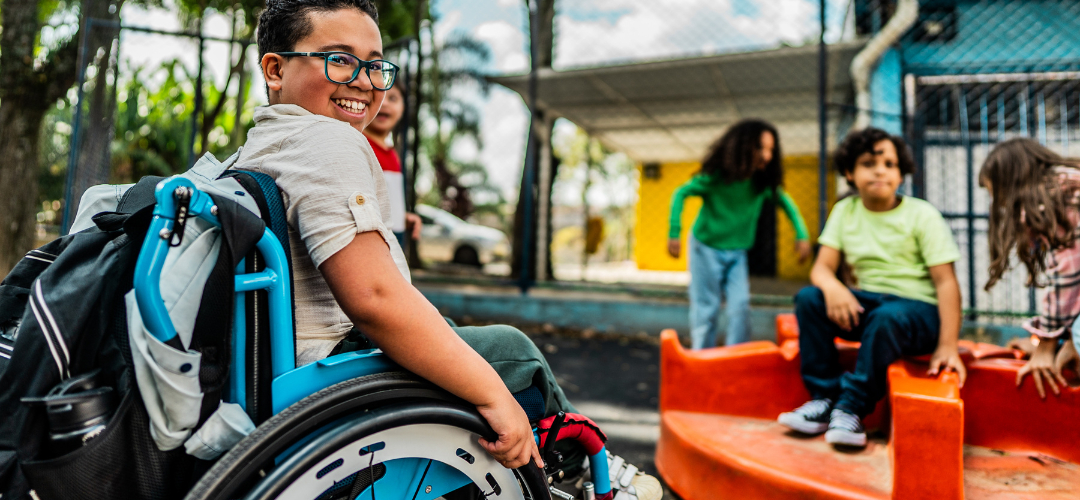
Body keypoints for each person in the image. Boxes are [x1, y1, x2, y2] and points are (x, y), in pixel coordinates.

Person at [239, 1, 660, 497]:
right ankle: (575, 468)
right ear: (274, 68)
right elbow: (374, 298)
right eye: (339, 58)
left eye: (375, 64)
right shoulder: (328, 141)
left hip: (279, 368)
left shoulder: (256, 147)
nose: (364, 80)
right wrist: (493, 394)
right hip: (329, 378)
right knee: (513, 353)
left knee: (446, 329)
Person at [778, 127, 966, 448]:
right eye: (868, 163)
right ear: (850, 173)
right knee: (810, 298)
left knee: (888, 316)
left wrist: (948, 345)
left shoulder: (922, 215)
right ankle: (824, 399)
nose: (880, 170)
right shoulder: (845, 211)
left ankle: (851, 409)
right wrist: (835, 289)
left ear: (901, 173)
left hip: (917, 313)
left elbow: (946, 282)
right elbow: (822, 268)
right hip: (870, 307)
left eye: (890, 164)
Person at [668, 119, 811, 349]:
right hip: (705, 248)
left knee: (741, 305)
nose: (766, 155)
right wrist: (674, 233)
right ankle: (701, 358)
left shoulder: (762, 184)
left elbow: (787, 204)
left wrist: (801, 235)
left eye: (771, 150)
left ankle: (736, 357)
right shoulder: (716, 178)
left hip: (737, 252)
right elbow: (680, 193)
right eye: (760, 148)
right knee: (707, 308)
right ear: (742, 147)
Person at [979, 138, 1080, 398]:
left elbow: (1068, 271)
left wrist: (1046, 345)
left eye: (998, 195)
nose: (1001, 206)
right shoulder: (1068, 183)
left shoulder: (1052, 196)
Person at [361, 80, 422, 247]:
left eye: (393, 98)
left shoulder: (393, 154)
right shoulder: (360, 145)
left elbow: (385, 201)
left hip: (396, 237)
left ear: (403, 107)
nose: (384, 103)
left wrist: (402, 217)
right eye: (377, 97)